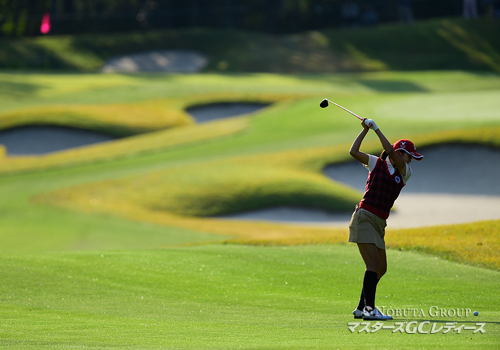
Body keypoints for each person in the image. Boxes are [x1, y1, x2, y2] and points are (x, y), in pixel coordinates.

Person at [348, 118, 423, 320]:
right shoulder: (376, 163)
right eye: (409, 156)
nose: (410, 161)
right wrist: (366, 130)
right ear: (401, 153)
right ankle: (369, 311)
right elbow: (353, 152)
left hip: (379, 223)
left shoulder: (405, 172)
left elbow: (390, 152)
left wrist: (377, 129)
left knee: (381, 268)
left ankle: (361, 307)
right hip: (364, 217)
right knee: (372, 265)